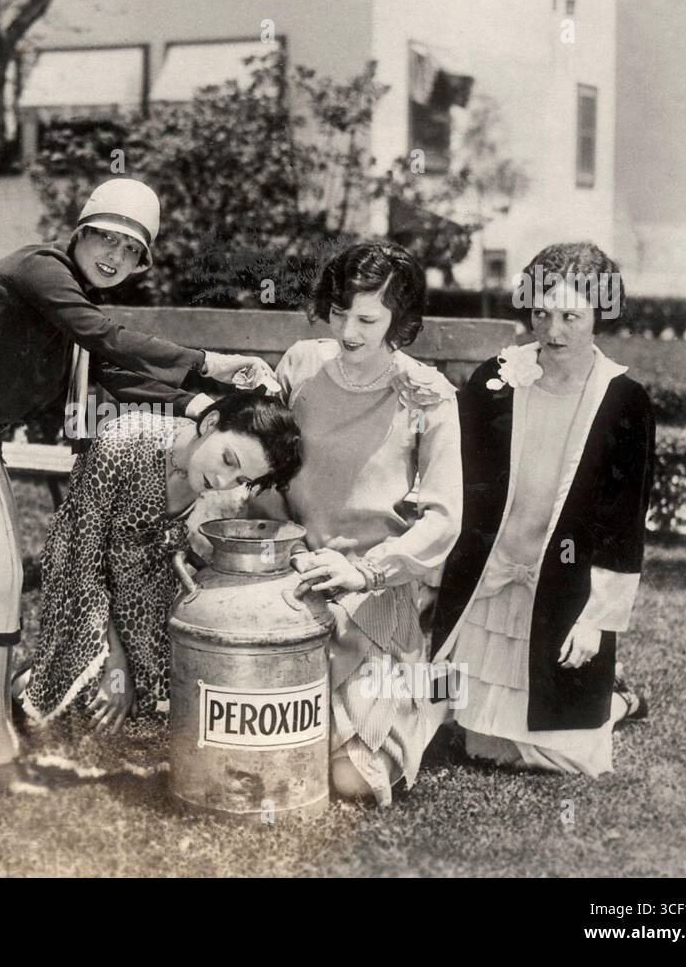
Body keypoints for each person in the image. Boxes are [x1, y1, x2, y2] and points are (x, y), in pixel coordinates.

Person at [0, 176, 278, 788]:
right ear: (79, 233)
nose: (115, 256)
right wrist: (210, 362)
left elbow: (116, 371)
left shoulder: (73, 304)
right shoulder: (41, 269)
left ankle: (4, 717)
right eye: (106, 238)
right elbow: (107, 339)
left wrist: (205, 403)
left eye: (131, 250)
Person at [432, 242, 653, 776]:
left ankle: (616, 703)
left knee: (569, 760)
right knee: (481, 747)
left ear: (599, 314)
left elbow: (623, 522)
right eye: (541, 313)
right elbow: (452, 471)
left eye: (571, 316)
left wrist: (596, 620)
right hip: (492, 579)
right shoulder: (496, 380)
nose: (552, 331)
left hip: (562, 591)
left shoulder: (625, 400)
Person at [256, 239, 463, 806]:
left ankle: (432, 691)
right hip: (293, 576)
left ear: (402, 321)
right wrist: (287, 546)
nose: (348, 331)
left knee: (349, 781)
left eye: (368, 318)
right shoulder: (300, 364)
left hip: (374, 591)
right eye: (339, 312)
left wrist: (366, 573)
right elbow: (264, 467)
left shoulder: (427, 395)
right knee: (268, 748)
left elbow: (444, 519)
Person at [18, 394, 302, 731]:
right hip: (81, 568)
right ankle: (31, 682)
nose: (226, 482)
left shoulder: (209, 473)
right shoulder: (123, 441)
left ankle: (72, 674)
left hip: (146, 573)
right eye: (228, 460)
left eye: (242, 479)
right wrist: (116, 661)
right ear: (210, 423)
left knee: (158, 700)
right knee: (98, 680)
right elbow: (83, 554)